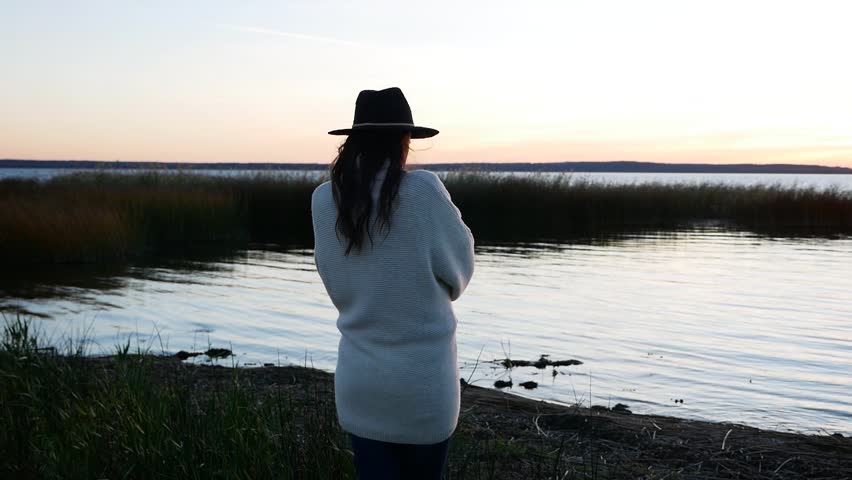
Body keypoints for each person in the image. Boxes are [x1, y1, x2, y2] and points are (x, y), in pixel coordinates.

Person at [311, 87, 475, 479]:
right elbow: (459, 273)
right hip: (422, 387)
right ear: (404, 140)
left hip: (360, 383)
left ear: (354, 141)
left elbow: (336, 283)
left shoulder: (322, 199)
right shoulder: (422, 191)